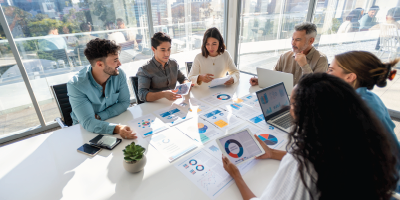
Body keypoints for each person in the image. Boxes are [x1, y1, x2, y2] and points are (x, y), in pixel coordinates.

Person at [223, 73, 399, 200]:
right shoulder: (357, 140)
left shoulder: (302, 160)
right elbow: (322, 161)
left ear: (308, 113)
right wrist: (273, 153)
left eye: (291, 103)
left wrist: (236, 176)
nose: (288, 108)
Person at [326, 51, 400, 178]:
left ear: (350, 77)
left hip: (381, 182)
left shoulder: (356, 108)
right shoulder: (370, 97)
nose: (327, 74)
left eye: (331, 70)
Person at [67, 38, 136, 139]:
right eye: (115, 60)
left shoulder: (119, 74)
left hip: (113, 120)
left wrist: (100, 116)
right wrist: (117, 128)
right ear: (100, 64)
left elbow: (124, 103)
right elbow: (88, 122)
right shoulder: (76, 85)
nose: (119, 64)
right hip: (83, 130)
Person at [249, 22, 328, 86]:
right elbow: (273, 75)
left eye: (297, 40)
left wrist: (304, 66)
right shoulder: (285, 56)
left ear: (311, 41)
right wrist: (262, 81)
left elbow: (316, 88)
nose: (293, 43)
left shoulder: (321, 59)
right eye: (292, 39)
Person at [136, 32, 190, 102]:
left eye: (169, 49)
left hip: (173, 103)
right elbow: (142, 95)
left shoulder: (173, 63)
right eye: (163, 50)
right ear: (153, 49)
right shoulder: (145, 69)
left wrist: (186, 85)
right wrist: (163, 94)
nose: (167, 54)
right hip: (156, 106)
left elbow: (183, 78)